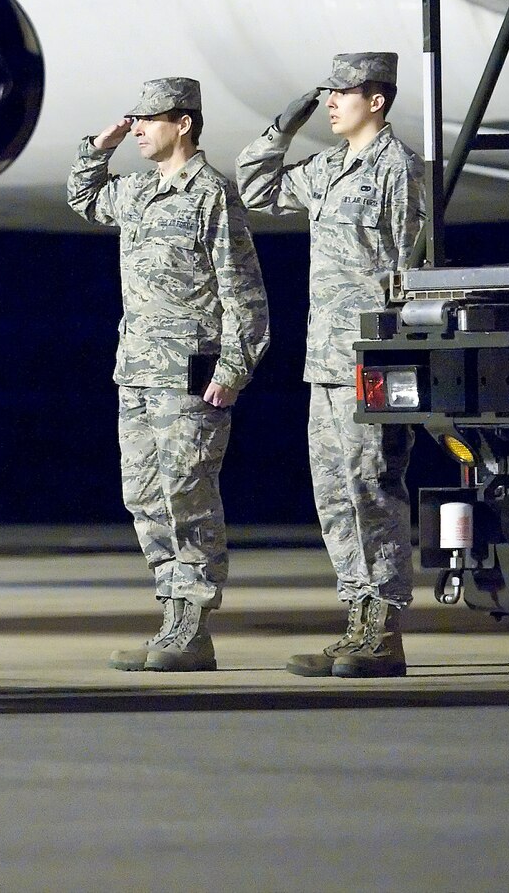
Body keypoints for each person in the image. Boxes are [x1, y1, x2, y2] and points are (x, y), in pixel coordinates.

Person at [67, 77, 269, 671]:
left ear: (183, 124)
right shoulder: (137, 190)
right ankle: (170, 617)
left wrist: (235, 366)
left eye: (149, 119)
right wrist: (99, 145)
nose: (138, 129)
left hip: (190, 373)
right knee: (145, 497)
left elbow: (243, 290)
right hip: (137, 372)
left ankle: (193, 625)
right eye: (134, 119)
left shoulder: (211, 194)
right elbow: (83, 197)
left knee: (189, 494)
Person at [237, 52, 424, 677]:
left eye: (344, 92)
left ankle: (385, 629)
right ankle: (357, 619)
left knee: (372, 485)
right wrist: (283, 127)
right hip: (325, 359)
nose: (332, 102)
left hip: (374, 358)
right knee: (335, 493)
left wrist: (399, 353)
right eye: (328, 93)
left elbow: (414, 266)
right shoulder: (329, 167)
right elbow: (257, 188)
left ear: (377, 99)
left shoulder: (398, 169)